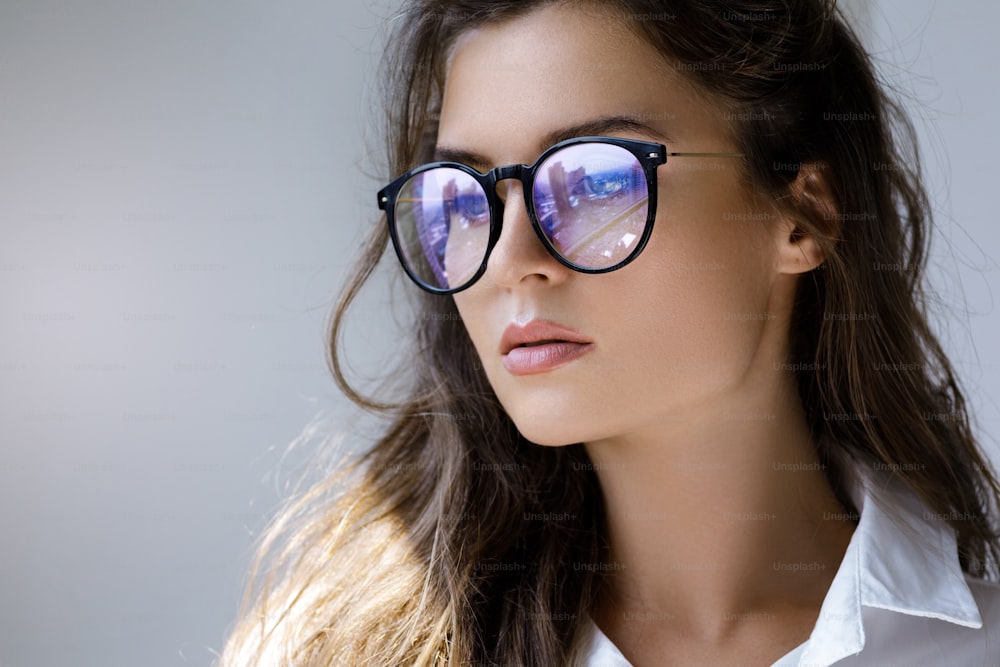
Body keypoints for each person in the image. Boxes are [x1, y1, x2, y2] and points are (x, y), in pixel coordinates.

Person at [216, 1, 1000, 665]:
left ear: (804, 214)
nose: (511, 261)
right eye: (463, 199)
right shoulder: (339, 648)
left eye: (593, 180)